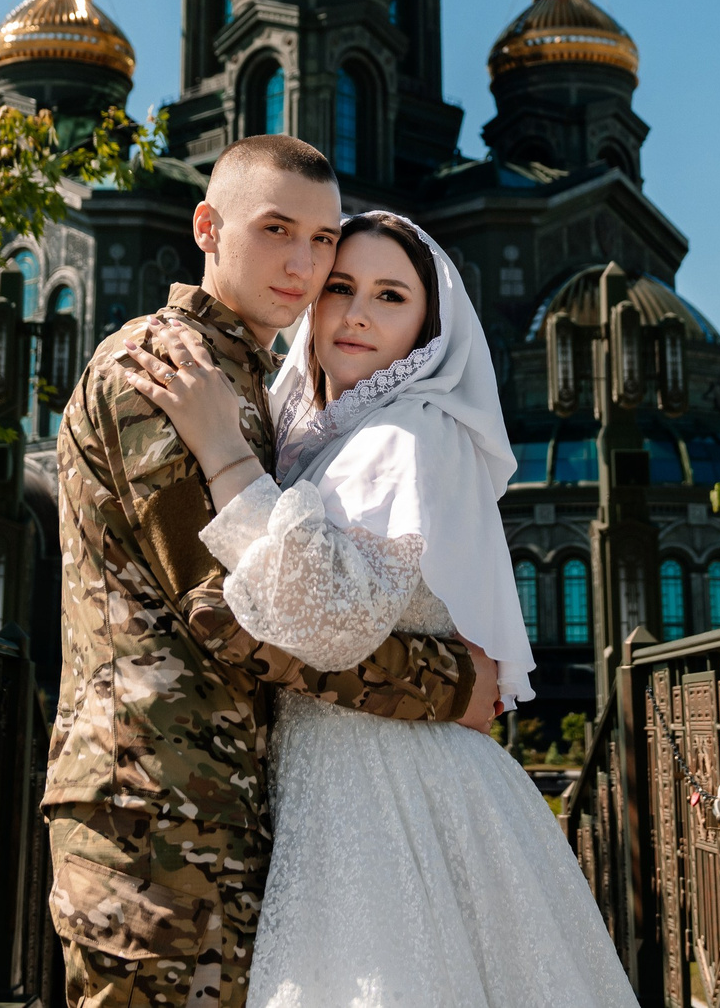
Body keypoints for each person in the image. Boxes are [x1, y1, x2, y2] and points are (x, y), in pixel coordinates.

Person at [122, 209, 639, 1008]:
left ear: (426, 330)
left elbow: (329, 622)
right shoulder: (335, 439)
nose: (357, 312)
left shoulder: (402, 435)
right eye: (340, 288)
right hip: (360, 776)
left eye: (391, 295)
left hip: (387, 793)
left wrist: (221, 450)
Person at [43, 135, 502, 1008]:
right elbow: (235, 613)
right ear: (208, 227)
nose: (303, 264)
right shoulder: (162, 369)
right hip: (151, 802)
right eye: (277, 229)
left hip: (218, 802)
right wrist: (449, 685)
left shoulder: (257, 386)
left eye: (323, 239)